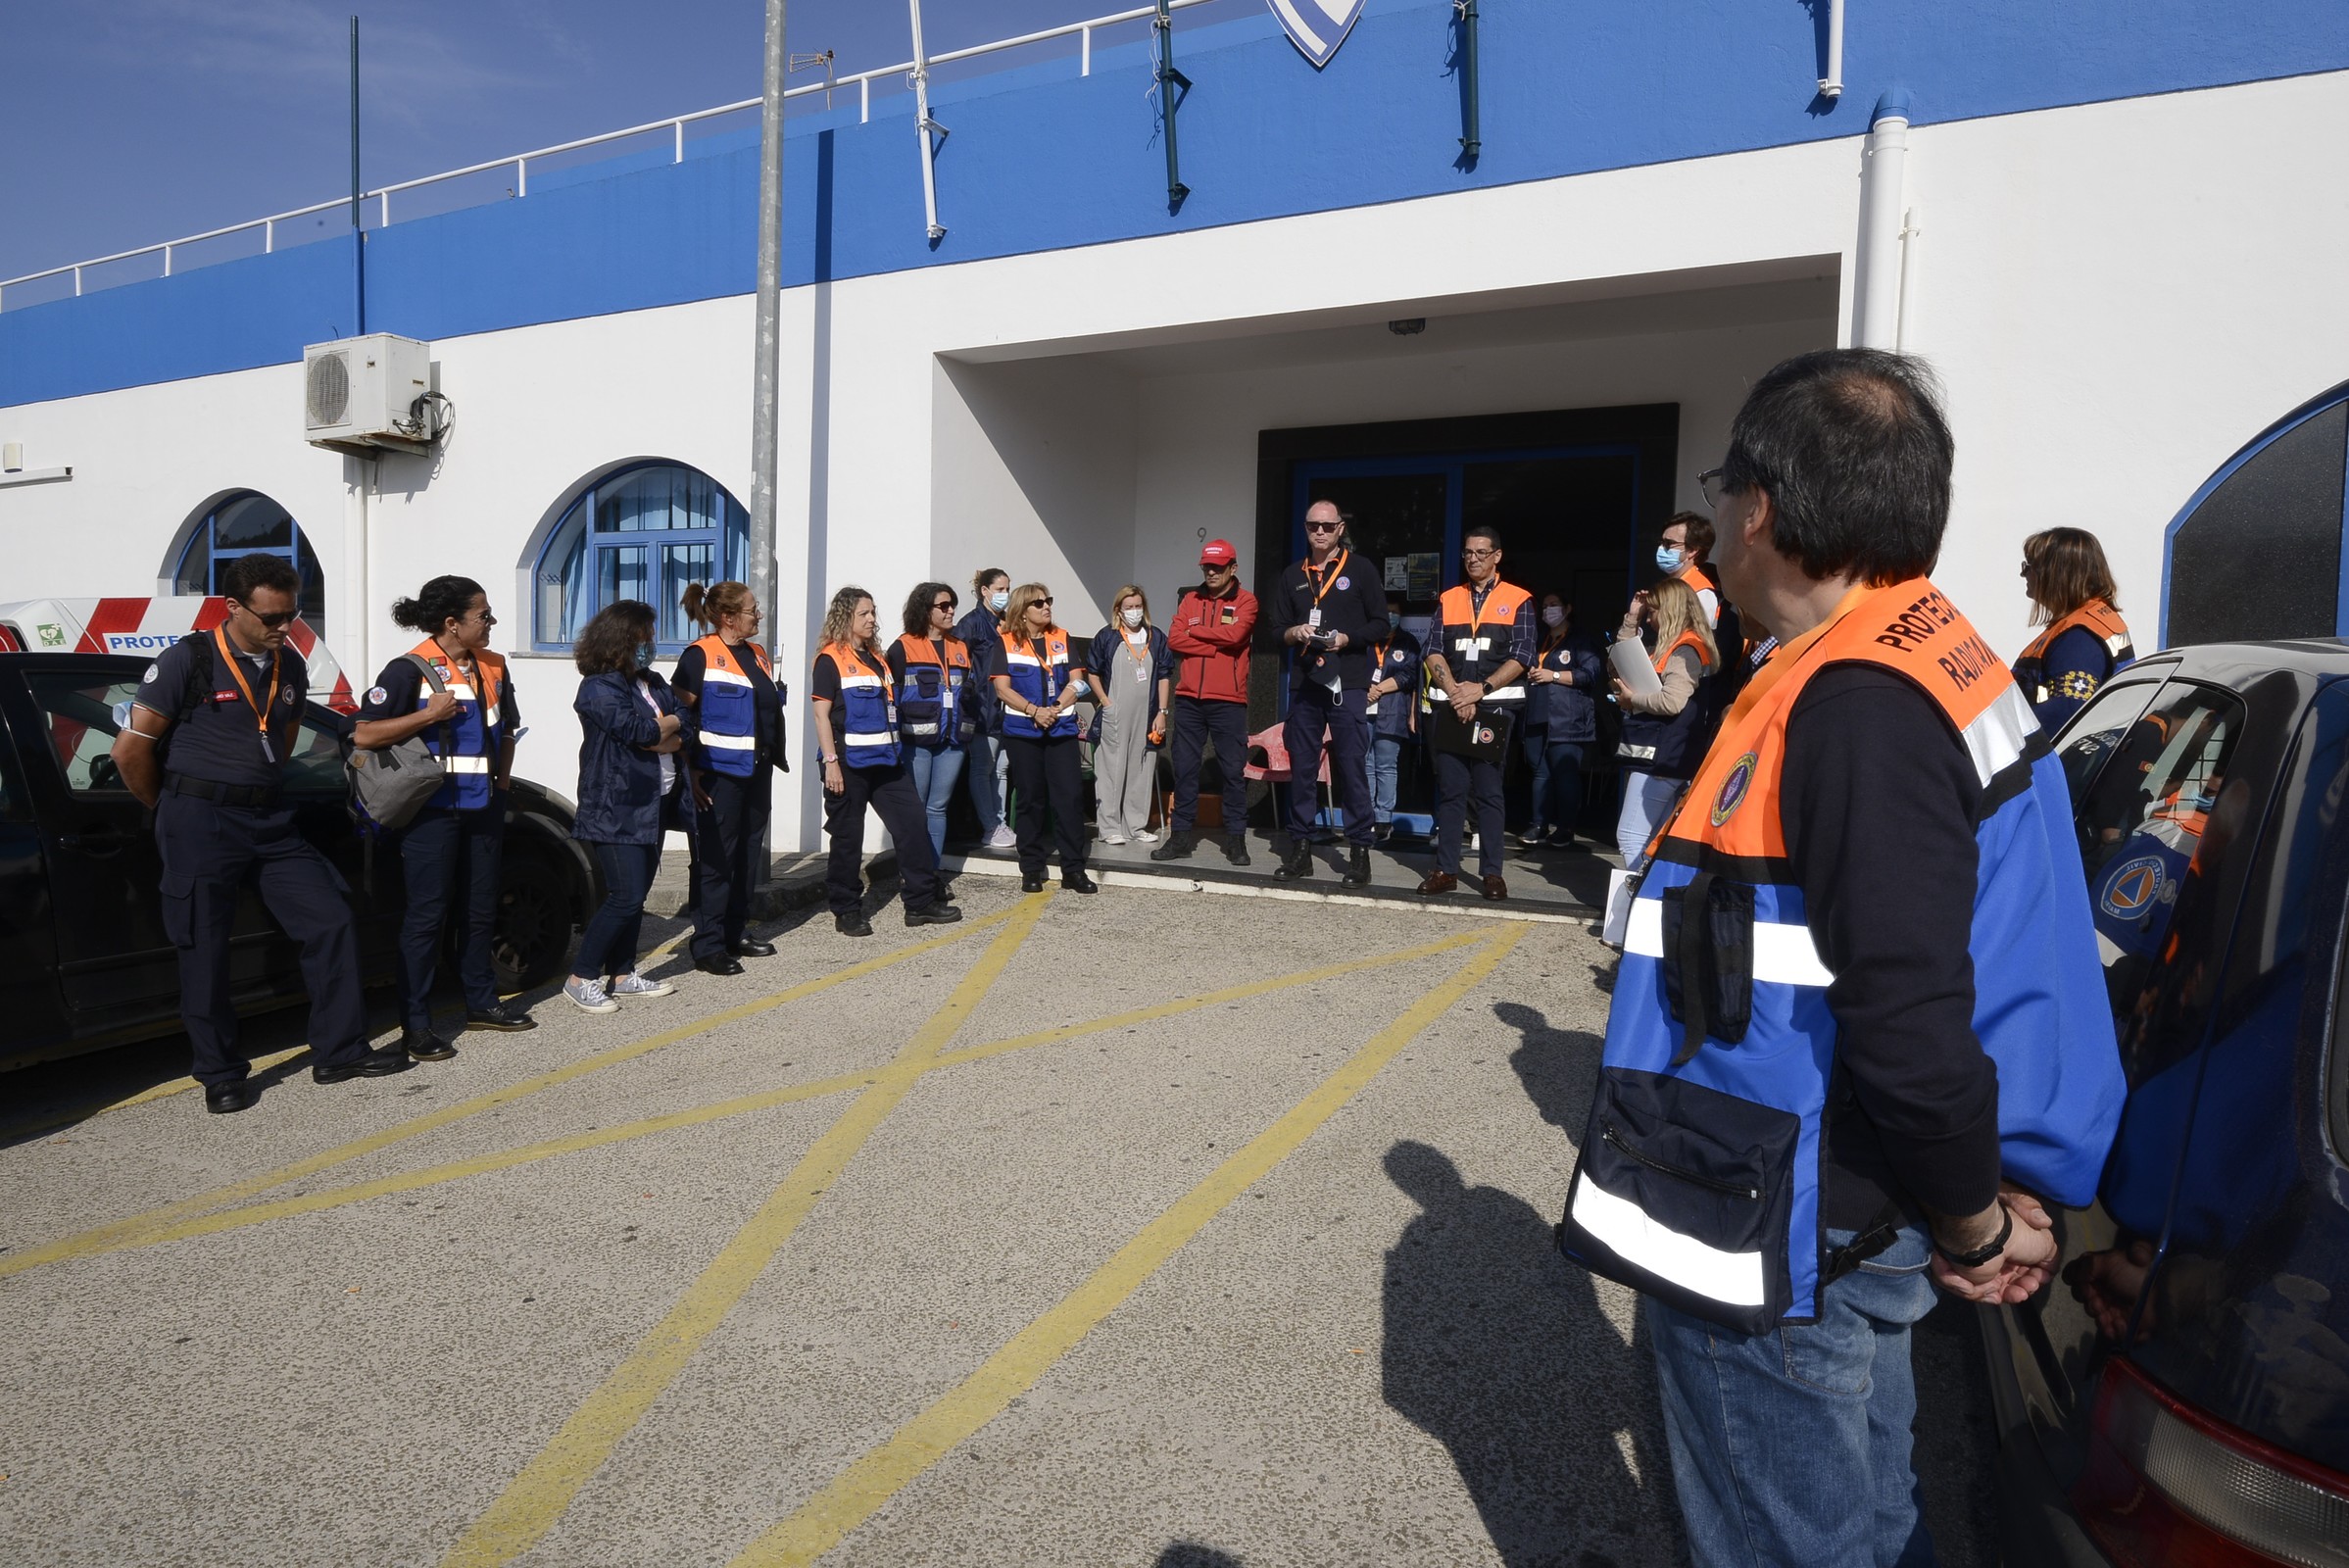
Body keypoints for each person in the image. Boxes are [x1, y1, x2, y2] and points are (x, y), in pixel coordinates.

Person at [1559, 348, 2124, 1567]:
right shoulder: (1920, 646)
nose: (1711, 520)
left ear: (1760, 506)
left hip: (1789, 1219)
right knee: (1868, 1521)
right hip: (1832, 1195)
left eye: (1718, 491)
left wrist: (1977, 1224)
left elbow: (1910, 1008)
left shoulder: (1857, 706)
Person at [109, 556, 410, 1112]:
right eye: (271, 617)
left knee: (330, 919)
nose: (284, 627)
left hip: (268, 821)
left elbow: (283, 741)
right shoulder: (188, 660)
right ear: (233, 608)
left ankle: (340, 1052)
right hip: (199, 820)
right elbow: (129, 752)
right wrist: (173, 809)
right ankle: (220, 1073)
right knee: (204, 948)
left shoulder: (288, 663)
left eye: (291, 615)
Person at [353, 574, 534, 1060]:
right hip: (431, 814)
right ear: (452, 623)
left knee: (479, 910)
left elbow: (508, 728)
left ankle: (482, 1004)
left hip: (483, 808)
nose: (492, 622)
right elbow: (364, 735)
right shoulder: (407, 669)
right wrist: (429, 715)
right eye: (484, 615)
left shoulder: (494, 665)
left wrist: (502, 784)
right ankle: (416, 1026)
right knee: (427, 918)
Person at [813, 587, 961, 933]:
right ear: (845, 617)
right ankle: (847, 910)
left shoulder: (876, 658)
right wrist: (831, 762)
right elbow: (821, 716)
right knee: (848, 838)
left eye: (873, 612)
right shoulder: (830, 659)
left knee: (912, 824)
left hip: (886, 761)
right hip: (848, 764)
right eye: (864, 614)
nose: (871, 619)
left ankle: (920, 903)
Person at [566, 600, 685, 1011]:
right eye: (644, 636)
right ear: (622, 639)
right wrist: (661, 731)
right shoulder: (599, 687)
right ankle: (581, 976)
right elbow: (635, 730)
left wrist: (667, 731)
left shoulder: (652, 681)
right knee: (625, 895)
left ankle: (622, 973)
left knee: (639, 895)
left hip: (654, 802)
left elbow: (686, 719)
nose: (650, 643)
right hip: (615, 805)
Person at [1271, 500, 1390, 886]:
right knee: (1303, 768)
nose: (1319, 532)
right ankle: (1301, 849)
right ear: (1305, 529)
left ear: (1340, 529)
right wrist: (1295, 632)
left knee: (1352, 767)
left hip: (1348, 682)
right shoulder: (1293, 574)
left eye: (1326, 526)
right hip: (1306, 683)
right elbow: (1276, 630)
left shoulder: (1361, 569)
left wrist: (1346, 638)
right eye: (1312, 526)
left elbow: (1381, 624)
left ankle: (1359, 852)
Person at [673, 580, 787, 977]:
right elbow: (681, 717)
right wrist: (690, 771)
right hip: (718, 776)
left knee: (747, 856)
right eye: (753, 610)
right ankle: (707, 944)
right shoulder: (699, 656)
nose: (759, 616)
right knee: (716, 860)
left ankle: (735, 932)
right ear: (727, 617)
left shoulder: (757, 654)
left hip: (757, 770)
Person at [1417, 524, 1535, 901]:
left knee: (1488, 792)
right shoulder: (1449, 598)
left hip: (1494, 709)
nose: (1473, 559)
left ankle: (1492, 873)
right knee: (1451, 791)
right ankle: (1446, 870)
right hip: (1451, 706)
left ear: (1497, 556)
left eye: (1481, 553)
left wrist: (1479, 691)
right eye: (1468, 552)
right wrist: (1457, 692)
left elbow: (1523, 655)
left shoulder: (1518, 599)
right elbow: (1432, 650)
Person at [1608, 576, 1719, 914]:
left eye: (1653, 611)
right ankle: (1652, 909)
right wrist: (1632, 619)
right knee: (1654, 839)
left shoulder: (1685, 650)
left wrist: (1632, 699)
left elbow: (1672, 701)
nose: (1650, 617)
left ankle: (1641, 908)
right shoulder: (1673, 646)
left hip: (1664, 759)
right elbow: (1624, 659)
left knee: (1631, 836)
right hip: (1664, 757)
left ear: (1670, 610)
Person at [986, 582, 1098, 894]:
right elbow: (1002, 689)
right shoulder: (1006, 642)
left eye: (1048, 600)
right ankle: (1031, 868)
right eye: (1038, 603)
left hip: (1060, 729)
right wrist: (1034, 711)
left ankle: (1073, 869)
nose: (1046, 606)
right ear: (1022, 611)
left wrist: (1055, 707)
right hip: (1024, 732)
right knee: (1030, 799)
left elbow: (1078, 681)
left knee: (1069, 799)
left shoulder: (1062, 637)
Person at [1152, 539, 1257, 867]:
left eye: (1218, 567)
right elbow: (1174, 639)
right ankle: (1180, 838)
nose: (1211, 572)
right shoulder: (1190, 599)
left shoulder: (1247, 600)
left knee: (1232, 772)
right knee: (1184, 769)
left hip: (1228, 701)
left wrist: (1197, 635)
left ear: (1233, 568)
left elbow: (1236, 636)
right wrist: (1214, 646)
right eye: (1207, 567)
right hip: (1189, 699)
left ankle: (1236, 840)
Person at [2014, 526, 2134, 731]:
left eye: (2029, 567)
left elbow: (2067, 710)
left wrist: (2005, 733)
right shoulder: (2095, 619)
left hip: (2050, 750)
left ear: (2055, 575)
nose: (2023, 574)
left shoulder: (2079, 639)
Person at [890, 581, 976, 865]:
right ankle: (913, 872)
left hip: (953, 741)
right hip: (915, 742)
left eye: (953, 605)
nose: (951, 611)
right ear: (925, 610)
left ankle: (932, 873)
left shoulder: (960, 646)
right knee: (915, 809)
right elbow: (891, 698)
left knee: (938, 808)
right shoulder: (903, 648)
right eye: (944, 606)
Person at [1087, 584, 1172, 846]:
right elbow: (1092, 673)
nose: (1134, 611)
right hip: (1115, 712)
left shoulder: (1155, 637)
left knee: (1142, 767)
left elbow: (1164, 676)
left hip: (1147, 714)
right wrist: (1106, 702)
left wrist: (1162, 712)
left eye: (1138, 606)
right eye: (1129, 607)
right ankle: (1109, 827)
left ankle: (1135, 825)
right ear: (1118, 610)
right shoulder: (1107, 637)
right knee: (1111, 768)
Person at [1519, 594, 1602, 849]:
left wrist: (1553, 675)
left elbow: (1590, 674)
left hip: (1567, 717)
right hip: (1537, 714)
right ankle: (1538, 824)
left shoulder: (1580, 640)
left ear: (1567, 608)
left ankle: (1565, 828)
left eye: (1553, 605)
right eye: (1545, 606)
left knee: (1565, 774)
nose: (1548, 610)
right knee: (1540, 773)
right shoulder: (1539, 638)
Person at [955, 567, 1018, 851]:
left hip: (1007, 707)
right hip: (983, 706)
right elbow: (959, 663)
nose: (1005, 595)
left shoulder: (1007, 622)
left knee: (1001, 768)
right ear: (984, 591)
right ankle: (989, 825)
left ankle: (1000, 822)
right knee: (984, 766)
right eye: (1000, 589)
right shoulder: (971, 624)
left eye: (1007, 589)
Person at [1363, 595, 1421, 845]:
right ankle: (1365, 815)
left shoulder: (1408, 642)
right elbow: (1353, 667)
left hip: (1392, 710)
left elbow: (1410, 674)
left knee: (1386, 766)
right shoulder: (1366, 638)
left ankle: (1383, 819)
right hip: (1364, 709)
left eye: (1395, 612)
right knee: (1364, 764)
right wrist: (1365, 687)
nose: (1390, 616)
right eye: (1386, 611)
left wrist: (1378, 689)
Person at [1657, 511, 1721, 628]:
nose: (1661, 548)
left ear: (1692, 550)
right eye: (1661, 542)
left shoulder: (1701, 593)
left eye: (1669, 543)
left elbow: (1696, 637)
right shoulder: (1669, 586)